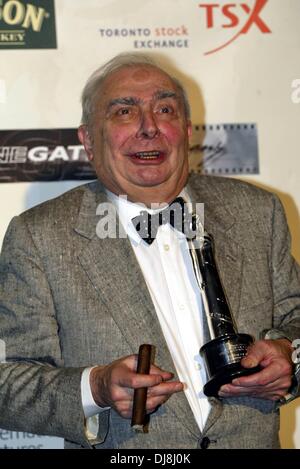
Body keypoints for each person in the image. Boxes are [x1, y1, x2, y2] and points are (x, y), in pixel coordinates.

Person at [0, 53, 300, 450]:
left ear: (188, 129)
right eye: (124, 111)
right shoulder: (39, 236)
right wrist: (96, 387)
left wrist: (290, 358)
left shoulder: (258, 212)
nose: (149, 127)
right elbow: (8, 381)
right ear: (88, 140)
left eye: (165, 109)